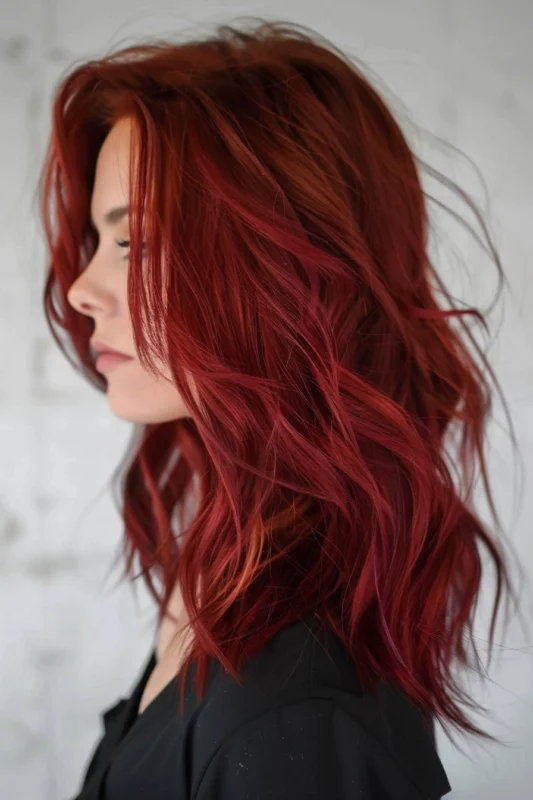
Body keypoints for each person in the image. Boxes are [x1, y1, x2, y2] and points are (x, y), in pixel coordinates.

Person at [38, 18, 523, 800]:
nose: (80, 289)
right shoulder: (231, 577)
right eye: (97, 239)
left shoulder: (294, 716)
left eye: (134, 244)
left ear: (281, 275)